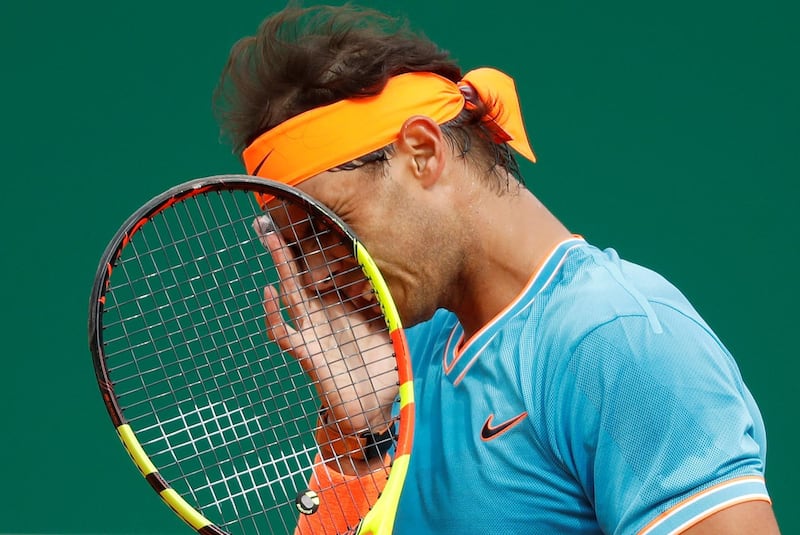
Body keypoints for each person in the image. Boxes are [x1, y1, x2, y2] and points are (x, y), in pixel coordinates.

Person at [214, 4, 780, 534]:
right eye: (297, 244)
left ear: (422, 152)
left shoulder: (616, 340)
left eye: (325, 226)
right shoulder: (404, 355)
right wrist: (354, 443)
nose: (314, 277)